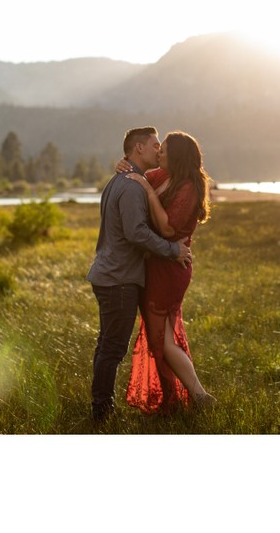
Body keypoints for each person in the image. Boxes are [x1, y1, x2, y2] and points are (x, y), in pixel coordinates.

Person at [87, 127, 192, 423]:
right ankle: (101, 412)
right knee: (112, 348)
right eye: (155, 145)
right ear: (138, 149)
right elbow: (136, 233)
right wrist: (173, 250)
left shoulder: (122, 179)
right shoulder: (132, 186)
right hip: (119, 279)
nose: (159, 150)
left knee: (106, 345)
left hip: (109, 275)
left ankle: (100, 408)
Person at [118, 130, 216, 414]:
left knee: (161, 337)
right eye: (158, 148)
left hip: (171, 267)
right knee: (159, 334)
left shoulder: (188, 187)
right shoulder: (163, 176)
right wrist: (122, 163)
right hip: (157, 263)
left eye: (164, 149)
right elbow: (140, 174)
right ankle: (174, 397)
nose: (159, 152)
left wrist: (148, 192)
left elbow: (168, 228)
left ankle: (199, 395)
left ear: (178, 156)